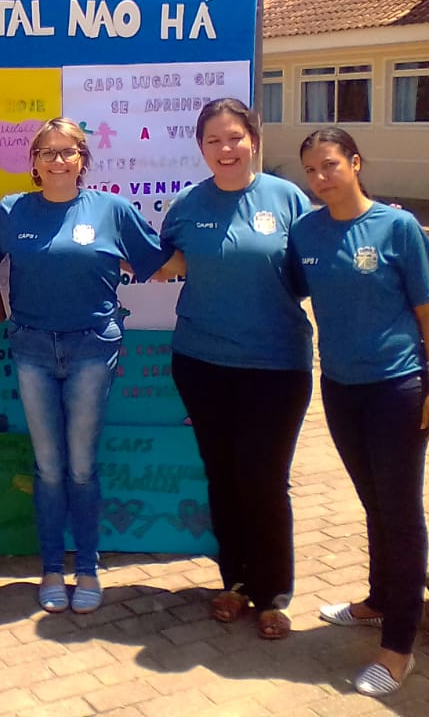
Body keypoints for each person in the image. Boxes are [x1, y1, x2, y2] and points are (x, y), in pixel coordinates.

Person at [291, 127, 429, 697]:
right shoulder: (306, 232)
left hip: (397, 388)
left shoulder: (396, 226)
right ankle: (379, 601)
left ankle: (398, 650)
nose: (320, 179)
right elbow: (281, 286)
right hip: (340, 387)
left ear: (356, 163)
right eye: (310, 171)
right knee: (373, 502)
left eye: (330, 166)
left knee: (400, 511)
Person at [0, 117, 163, 615]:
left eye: (68, 151)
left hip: (92, 348)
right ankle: (49, 569)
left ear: (83, 159)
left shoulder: (112, 209)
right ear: (34, 163)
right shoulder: (12, 211)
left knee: (81, 468)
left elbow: (156, 262)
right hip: (32, 347)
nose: (57, 160)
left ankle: (86, 566)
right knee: (48, 468)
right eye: (47, 152)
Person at [155, 97, 313, 641]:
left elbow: (315, 272)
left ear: (254, 140)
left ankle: (273, 593)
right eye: (213, 141)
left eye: (234, 138)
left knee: (265, 480)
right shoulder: (185, 206)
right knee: (223, 476)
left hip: (276, 366)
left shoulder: (287, 198)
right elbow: (168, 263)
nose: (225, 149)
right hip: (201, 362)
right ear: (201, 148)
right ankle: (236, 583)